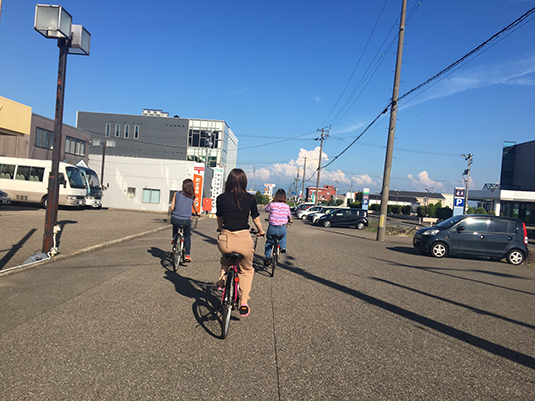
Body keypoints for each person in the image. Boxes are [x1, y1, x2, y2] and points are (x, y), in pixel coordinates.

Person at [216, 168, 264, 317]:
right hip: (244, 239)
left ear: (229, 181)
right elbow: (255, 218)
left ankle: (221, 281)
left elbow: (220, 218)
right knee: (247, 270)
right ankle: (243, 301)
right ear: (244, 182)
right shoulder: (250, 199)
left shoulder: (221, 198)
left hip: (226, 239)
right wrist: (261, 231)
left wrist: (219, 229)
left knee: (225, 260)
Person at [171, 178, 199, 262]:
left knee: (175, 226)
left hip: (175, 218)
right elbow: (194, 207)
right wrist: (197, 213)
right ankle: (187, 254)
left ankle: (174, 240)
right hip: (186, 221)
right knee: (187, 236)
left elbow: (172, 207)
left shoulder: (176, 194)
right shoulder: (192, 196)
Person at [264, 189, 293, 265]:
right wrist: (290, 220)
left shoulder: (272, 204)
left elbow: (266, 209)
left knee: (269, 242)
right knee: (284, 235)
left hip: (272, 228)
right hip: (281, 228)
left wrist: (271, 202)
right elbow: (289, 216)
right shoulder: (286, 206)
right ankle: (282, 247)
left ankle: (267, 256)